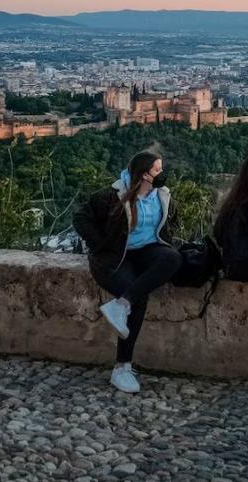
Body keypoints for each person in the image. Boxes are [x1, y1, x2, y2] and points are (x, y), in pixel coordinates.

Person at [77, 150, 183, 393]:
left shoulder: (161, 196)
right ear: (145, 175)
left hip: (146, 250)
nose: (162, 174)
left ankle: (121, 305)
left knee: (173, 259)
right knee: (140, 296)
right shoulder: (111, 197)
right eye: (158, 170)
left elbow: (170, 223)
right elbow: (80, 218)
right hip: (116, 257)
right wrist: (101, 245)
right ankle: (122, 367)